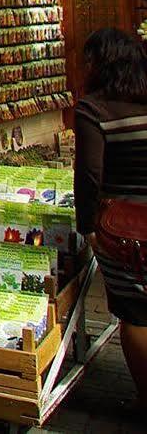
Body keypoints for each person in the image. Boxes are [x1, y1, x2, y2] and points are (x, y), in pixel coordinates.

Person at [76, 26, 147, 405]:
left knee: (136, 313)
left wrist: (86, 225)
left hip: (127, 232)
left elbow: (90, 173)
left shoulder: (95, 109)